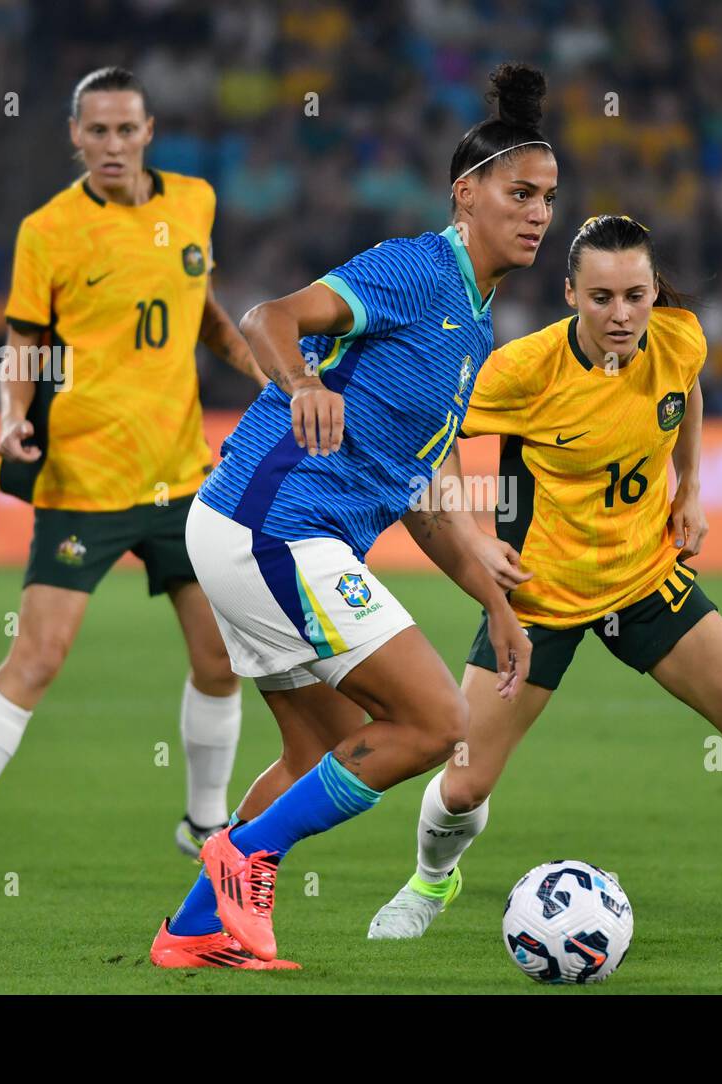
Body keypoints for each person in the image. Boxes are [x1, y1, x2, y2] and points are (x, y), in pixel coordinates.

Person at [366, 215, 722, 952]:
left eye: (635, 294)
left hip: (645, 581)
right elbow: (438, 433)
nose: (620, 314)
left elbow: (687, 393)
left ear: (652, 291)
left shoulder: (678, 337)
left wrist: (690, 487)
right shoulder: (523, 370)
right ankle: (429, 883)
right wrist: (473, 533)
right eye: (601, 297)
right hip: (542, 598)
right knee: (466, 781)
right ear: (570, 293)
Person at [149, 63, 557, 969]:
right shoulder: (416, 269)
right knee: (432, 723)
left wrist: (494, 603)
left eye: (549, 197)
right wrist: (300, 384)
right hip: (273, 526)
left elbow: (417, 499)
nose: (538, 213)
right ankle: (244, 854)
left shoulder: (474, 326)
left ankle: (190, 931)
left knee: (321, 754)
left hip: (257, 534)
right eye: (520, 193)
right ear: (467, 194)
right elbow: (267, 315)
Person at [0, 67, 266, 880]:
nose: (112, 145)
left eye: (126, 130)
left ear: (149, 133)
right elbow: (26, 342)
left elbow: (200, 307)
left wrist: (259, 366)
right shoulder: (49, 230)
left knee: (220, 657)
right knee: (37, 657)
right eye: (97, 131)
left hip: (183, 478)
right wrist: (11, 419)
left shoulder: (195, 202)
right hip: (85, 478)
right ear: (75, 136)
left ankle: (205, 823)